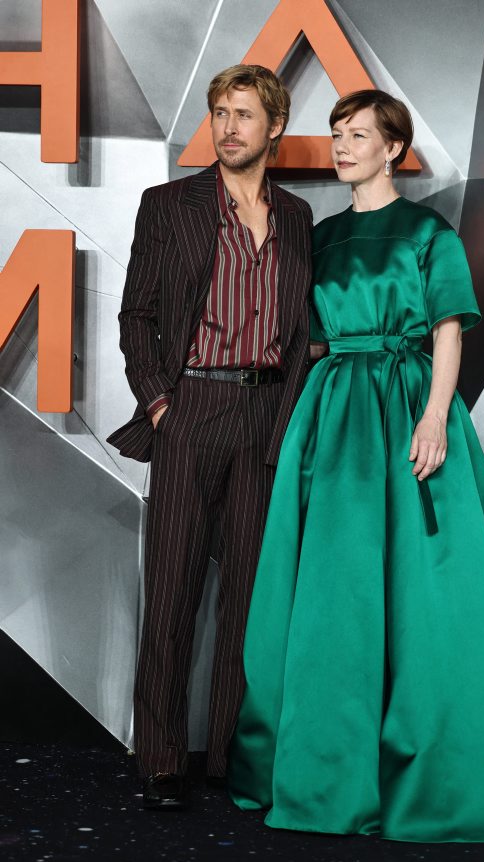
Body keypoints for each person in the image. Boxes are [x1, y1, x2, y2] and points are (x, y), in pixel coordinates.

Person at [227, 89, 484, 842]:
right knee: (337, 589)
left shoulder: (428, 232)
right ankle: (331, 767)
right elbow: (308, 338)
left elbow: (448, 331)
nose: (342, 147)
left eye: (357, 135)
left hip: (407, 406)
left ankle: (443, 765)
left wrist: (434, 417)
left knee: (428, 588)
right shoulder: (323, 235)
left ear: (393, 149)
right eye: (336, 134)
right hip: (334, 415)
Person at [107, 65, 313, 809]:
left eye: (244, 114)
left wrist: (287, 423)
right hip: (191, 406)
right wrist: (162, 405)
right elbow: (137, 315)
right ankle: (162, 759)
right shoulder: (169, 205)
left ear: (274, 127)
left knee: (251, 599)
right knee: (172, 592)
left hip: (265, 414)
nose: (228, 127)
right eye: (220, 112)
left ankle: (232, 756)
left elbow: (302, 333)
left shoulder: (297, 217)